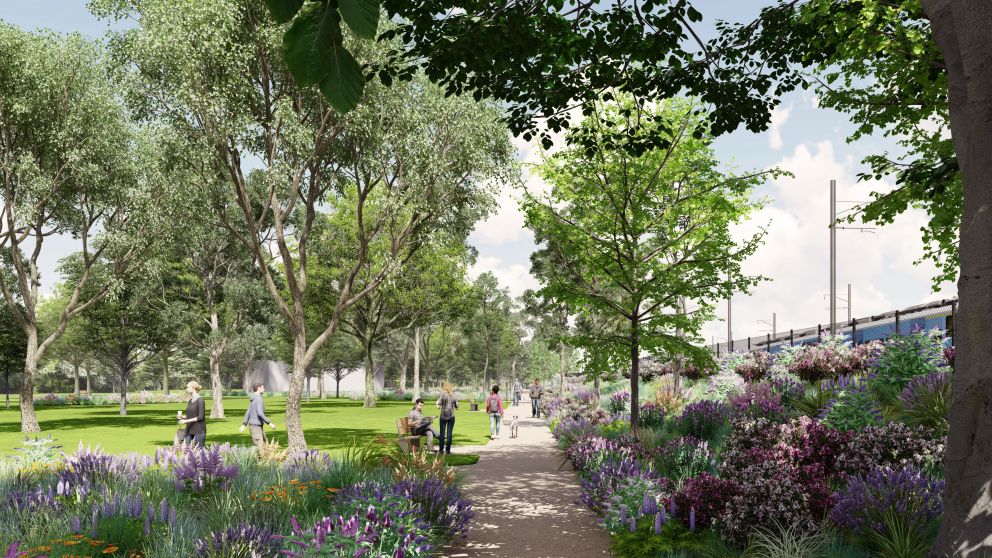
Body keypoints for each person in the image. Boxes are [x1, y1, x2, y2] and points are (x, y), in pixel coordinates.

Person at [240, 382, 277, 447]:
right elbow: (260, 413)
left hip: (256, 426)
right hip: (256, 427)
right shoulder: (259, 399)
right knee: (260, 448)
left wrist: (244, 425)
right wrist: (270, 423)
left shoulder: (253, 398)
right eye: (262, 387)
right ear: (258, 388)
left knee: (264, 445)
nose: (264, 389)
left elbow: (248, 411)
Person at [178, 381, 206, 447]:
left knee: (200, 451)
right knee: (186, 450)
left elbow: (200, 417)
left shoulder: (200, 400)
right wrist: (183, 417)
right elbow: (191, 416)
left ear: (193, 388)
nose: (186, 389)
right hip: (189, 429)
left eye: (188, 387)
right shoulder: (190, 401)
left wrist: (185, 421)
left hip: (199, 429)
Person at [435, 383, 458, 455]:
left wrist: (437, 404)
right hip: (451, 416)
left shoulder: (442, 395)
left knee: (442, 433)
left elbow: (438, 405)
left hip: (443, 416)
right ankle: (448, 450)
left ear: (444, 388)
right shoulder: (453, 395)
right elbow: (457, 406)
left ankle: (441, 450)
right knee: (449, 433)